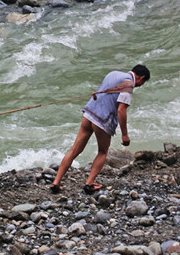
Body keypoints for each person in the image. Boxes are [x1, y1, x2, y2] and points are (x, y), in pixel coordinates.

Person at [51, 65, 150, 194]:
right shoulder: (129, 85)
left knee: (75, 150)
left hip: (89, 113)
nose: (139, 86)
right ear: (141, 78)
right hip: (102, 120)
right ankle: (89, 183)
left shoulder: (113, 73)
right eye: (142, 83)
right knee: (103, 152)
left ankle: (56, 182)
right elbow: (121, 110)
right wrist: (124, 135)